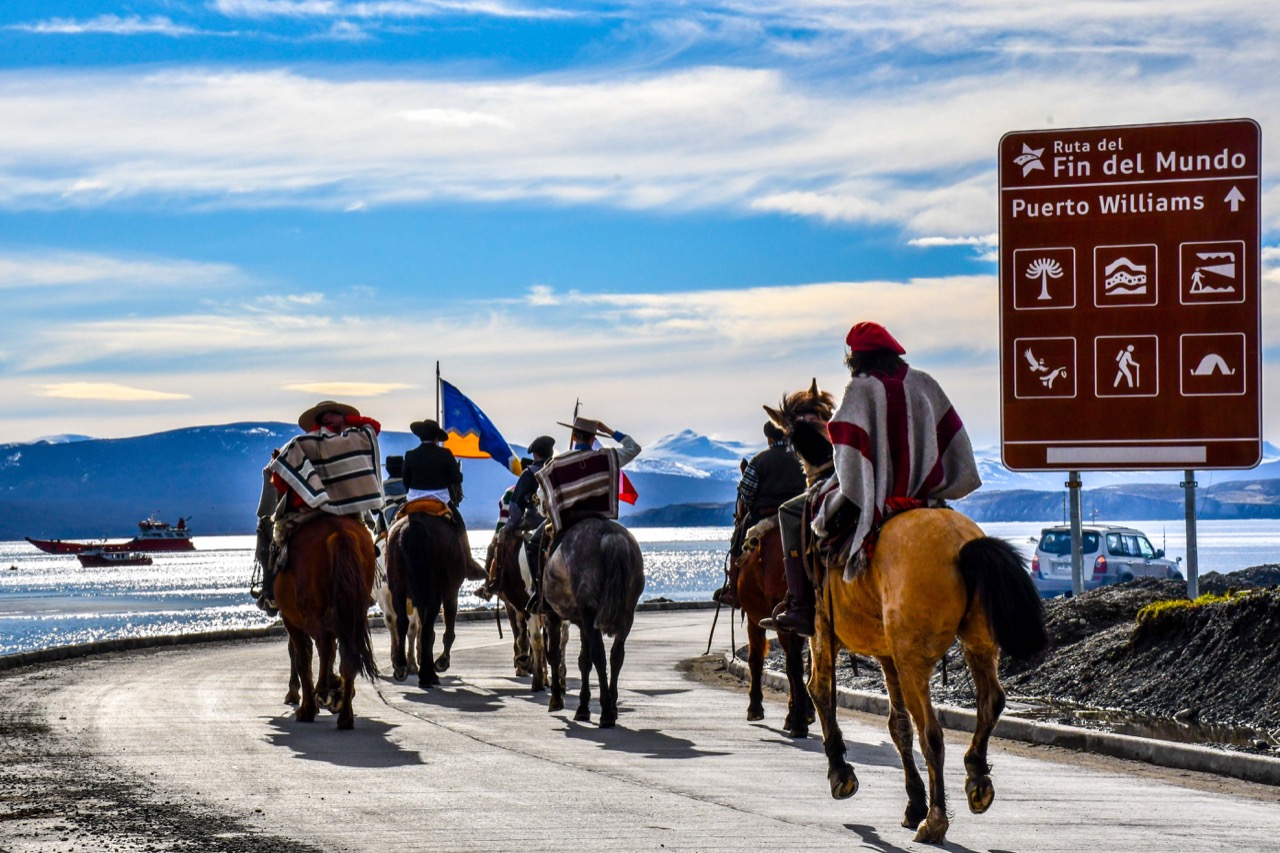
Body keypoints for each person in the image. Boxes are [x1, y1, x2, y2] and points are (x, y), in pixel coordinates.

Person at [760, 322, 981, 636]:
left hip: (877, 494)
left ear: (856, 358)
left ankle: (801, 605)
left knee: (795, 512)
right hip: (923, 494)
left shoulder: (860, 389)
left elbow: (848, 456)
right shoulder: (924, 382)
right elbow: (950, 433)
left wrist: (861, 482)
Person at [255, 400, 383, 615]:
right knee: (366, 542)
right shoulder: (353, 439)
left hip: (308, 511)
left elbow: (279, 481)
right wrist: (346, 421)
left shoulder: (300, 443)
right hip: (349, 511)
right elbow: (373, 426)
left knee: (270, 540)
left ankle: (270, 594)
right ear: (339, 418)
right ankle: (366, 591)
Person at [714, 421, 807, 607]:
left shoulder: (759, 461)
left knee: (737, 540)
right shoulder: (801, 459)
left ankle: (733, 591)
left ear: (770, 439)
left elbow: (746, 493)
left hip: (764, 515)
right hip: (797, 516)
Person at [475, 438, 554, 601]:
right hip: (557, 520)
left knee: (503, 539)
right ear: (551, 453)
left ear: (536, 454)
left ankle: (496, 582)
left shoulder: (529, 474)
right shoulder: (557, 470)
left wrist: (509, 527)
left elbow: (516, 509)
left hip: (534, 520)